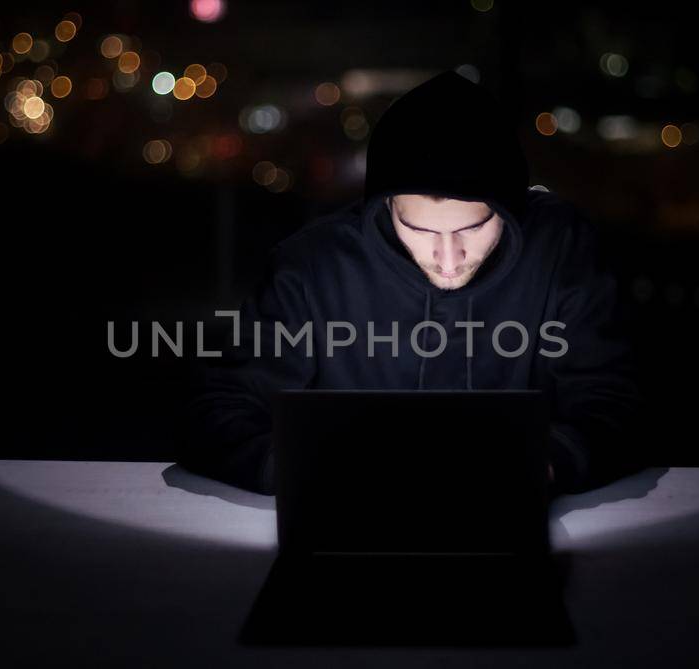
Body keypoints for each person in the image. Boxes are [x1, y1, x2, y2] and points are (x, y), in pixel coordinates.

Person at [181, 70, 642, 495]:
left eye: (472, 229)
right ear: (385, 209)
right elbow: (216, 410)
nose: (448, 259)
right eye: (421, 231)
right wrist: (303, 472)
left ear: (510, 210)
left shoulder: (562, 250)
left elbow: (616, 402)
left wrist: (547, 464)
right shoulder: (312, 268)